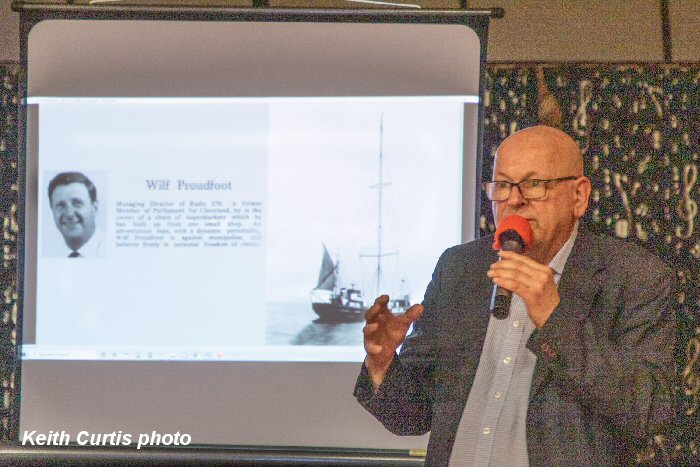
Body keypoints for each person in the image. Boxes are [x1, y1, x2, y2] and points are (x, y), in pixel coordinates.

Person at [355, 125, 676, 466]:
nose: (514, 200)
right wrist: (383, 363)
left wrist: (554, 318)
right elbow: (412, 416)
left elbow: (649, 411)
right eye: (503, 185)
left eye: (534, 184)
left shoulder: (634, 277)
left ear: (578, 196)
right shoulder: (459, 268)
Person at [47, 171, 102, 258]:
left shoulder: (113, 252)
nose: (69, 213)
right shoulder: (49, 257)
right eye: (61, 206)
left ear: (94, 208)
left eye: (77, 203)